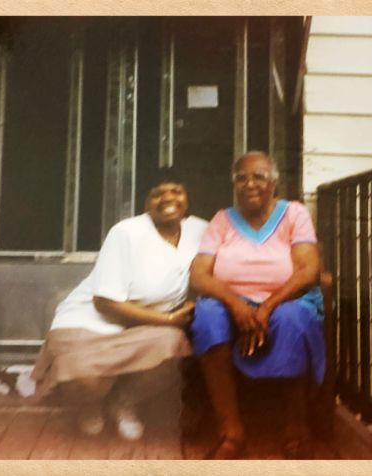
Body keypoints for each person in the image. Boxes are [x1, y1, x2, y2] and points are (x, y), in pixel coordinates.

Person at [31, 175, 208, 441]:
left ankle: (124, 402)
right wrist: (169, 317)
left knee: (174, 346)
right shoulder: (127, 232)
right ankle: (90, 405)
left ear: (187, 198)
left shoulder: (199, 230)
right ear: (146, 203)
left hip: (142, 327)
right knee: (87, 382)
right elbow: (104, 302)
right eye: (158, 193)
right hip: (88, 323)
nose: (168, 198)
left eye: (176, 191)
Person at [189, 151, 326, 459]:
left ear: (274, 183)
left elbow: (307, 270)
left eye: (259, 176)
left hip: (286, 299)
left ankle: (295, 426)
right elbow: (199, 274)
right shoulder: (222, 220)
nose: (250, 184)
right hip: (232, 302)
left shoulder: (294, 214)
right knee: (208, 316)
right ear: (234, 184)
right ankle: (232, 433)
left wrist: (266, 307)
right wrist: (236, 305)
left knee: (292, 319)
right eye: (241, 178)